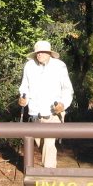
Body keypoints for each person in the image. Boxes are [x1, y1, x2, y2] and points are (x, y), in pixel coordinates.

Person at [18, 40, 74, 168]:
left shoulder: (59, 66)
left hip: (53, 113)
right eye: (38, 52)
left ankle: (49, 175)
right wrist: (23, 99)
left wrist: (63, 105)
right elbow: (24, 87)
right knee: (40, 143)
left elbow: (67, 89)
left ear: (49, 53)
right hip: (35, 113)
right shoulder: (29, 66)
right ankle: (47, 170)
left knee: (49, 144)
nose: (40, 54)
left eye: (43, 52)